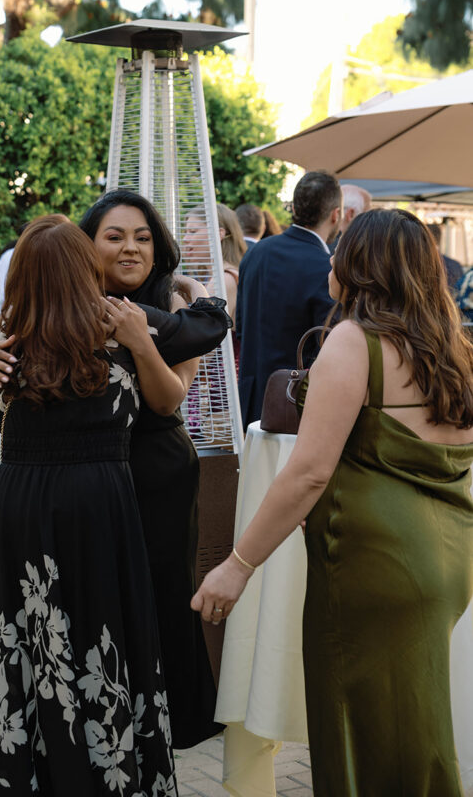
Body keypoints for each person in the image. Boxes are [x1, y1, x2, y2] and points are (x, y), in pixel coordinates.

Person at [193, 208, 473, 797]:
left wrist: (237, 565)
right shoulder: (453, 347)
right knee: (413, 725)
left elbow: (308, 473)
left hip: (373, 563)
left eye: (340, 252)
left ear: (358, 266)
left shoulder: (354, 341)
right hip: (446, 557)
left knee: (362, 733)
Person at [0, 193, 230, 751]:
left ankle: (165, 722)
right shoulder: (54, 305)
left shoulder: (158, 309)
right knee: (92, 607)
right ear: (86, 248)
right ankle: (101, 725)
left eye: (143, 237)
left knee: (157, 596)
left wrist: (181, 297)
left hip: (152, 470)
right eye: (115, 236)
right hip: (86, 482)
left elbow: (176, 386)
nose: (131, 247)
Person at [236, 170, 341, 428]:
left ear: (294, 208)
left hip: (249, 400)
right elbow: (328, 346)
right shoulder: (325, 268)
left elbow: (241, 326)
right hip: (295, 406)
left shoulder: (256, 253)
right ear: (335, 214)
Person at [182, 203, 246, 321]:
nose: (185, 239)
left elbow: (203, 326)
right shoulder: (218, 276)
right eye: (185, 232)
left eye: (192, 231)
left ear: (218, 234)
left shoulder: (224, 279)